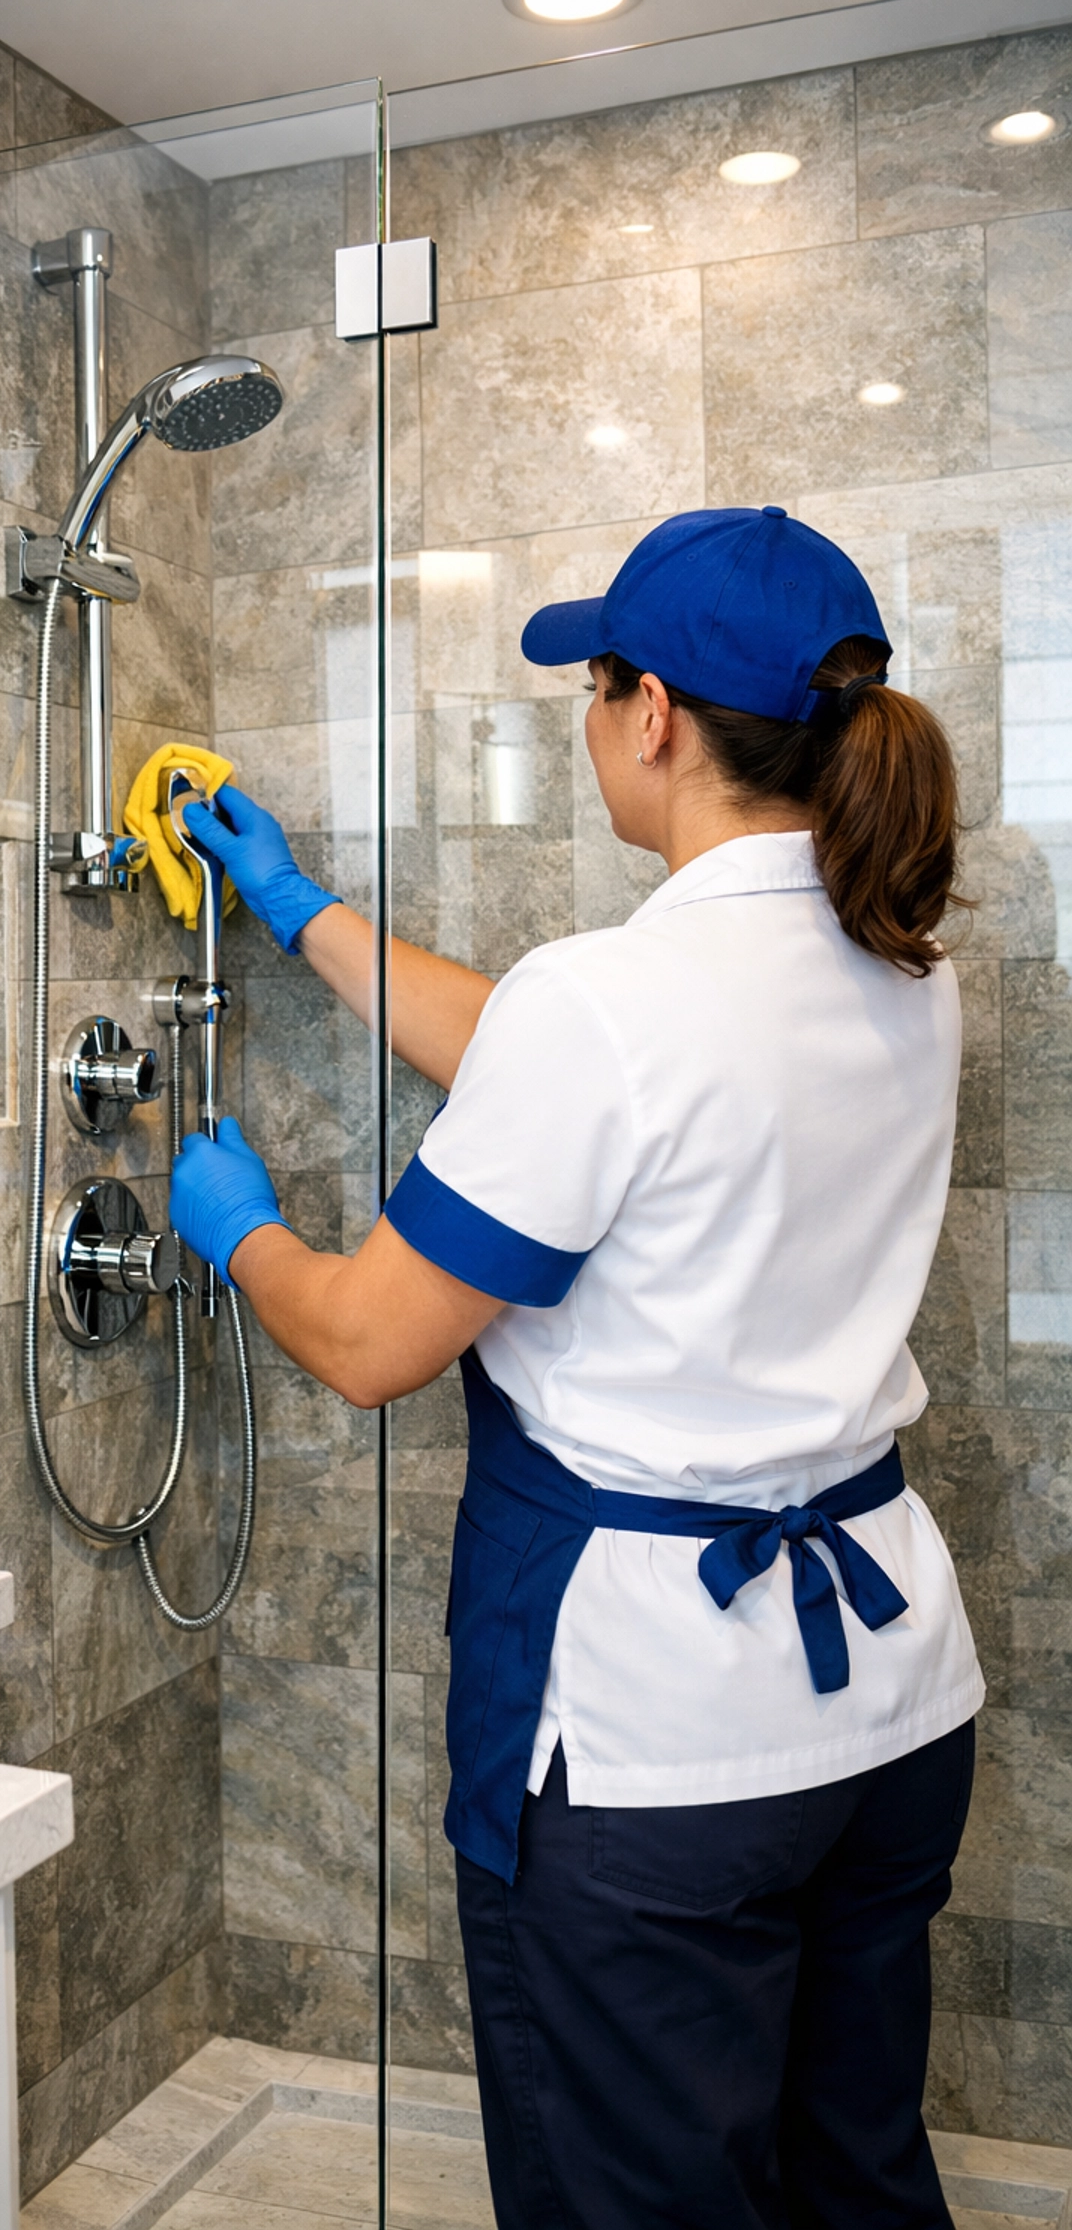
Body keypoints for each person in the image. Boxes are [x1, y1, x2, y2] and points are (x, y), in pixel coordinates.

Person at [170, 505, 983, 2230]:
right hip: (888, 1703)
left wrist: (234, 1228)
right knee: (852, 2178)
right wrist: (303, 911)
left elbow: (368, 1342)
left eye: (597, 680)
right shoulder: (907, 968)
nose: (591, 713)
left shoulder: (613, 1001)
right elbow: (568, 1066)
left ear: (657, 717)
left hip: (656, 1749)